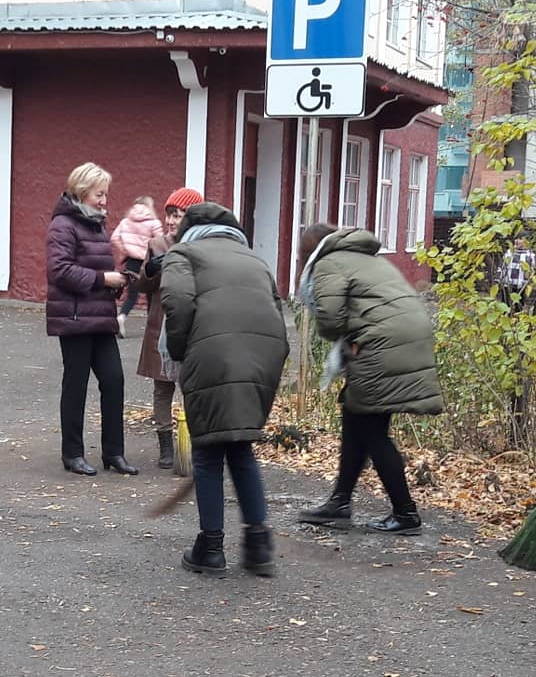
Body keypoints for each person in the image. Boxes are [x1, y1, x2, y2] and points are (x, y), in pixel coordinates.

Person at [160, 202, 288, 576]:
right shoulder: (254, 259)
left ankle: (211, 547)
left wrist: (180, 350)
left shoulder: (183, 253)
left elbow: (177, 303)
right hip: (263, 358)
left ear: (190, 228)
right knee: (240, 447)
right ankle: (259, 545)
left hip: (211, 353)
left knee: (207, 451)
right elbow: (276, 309)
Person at [296, 223, 443, 534]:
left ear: (310, 251)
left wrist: (345, 338)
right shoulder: (370, 259)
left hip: (379, 345)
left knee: (372, 431)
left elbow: (330, 318)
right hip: (406, 339)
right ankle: (340, 502)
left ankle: (406, 513)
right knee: (356, 418)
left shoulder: (329, 263)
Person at [45, 162, 137, 477]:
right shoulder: (62, 225)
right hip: (74, 318)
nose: (104, 200)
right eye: (99, 194)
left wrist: (117, 281)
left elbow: (95, 268)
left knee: (114, 380)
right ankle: (72, 454)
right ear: (82, 192)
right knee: (76, 385)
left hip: (100, 317)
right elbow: (59, 270)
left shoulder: (96, 224)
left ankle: (114, 453)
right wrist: (103, 279)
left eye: (105, 194)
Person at [135, 188, 203, 468]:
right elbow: (143, 286)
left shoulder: (203, 246)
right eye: (169, 215)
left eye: (178, 215)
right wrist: (150, 270)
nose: (171, 221)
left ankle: (193, 443)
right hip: (161, 325)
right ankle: (165, 445)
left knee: (193, 387)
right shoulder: (157, 244)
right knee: (162, 388)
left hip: (193, 326)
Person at [110, 197, 163, 338]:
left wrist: (126, 250)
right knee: (151, 295)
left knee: (132, 295)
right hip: (148, 263)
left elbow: (114, 238)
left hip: (131, 262)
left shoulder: (126, 221)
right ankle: (151, 328)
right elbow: (160, 242)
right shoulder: (153, 222)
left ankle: (121, 317)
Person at [499, 236, 536, 305]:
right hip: (508, 284)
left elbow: (533, 269)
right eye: (516, 239)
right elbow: (502, 267)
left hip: (522, 285)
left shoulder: (530, 255)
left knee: (519, 306)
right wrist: (500, 279)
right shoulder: (509, 253)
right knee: (505, 304)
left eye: (520, 239)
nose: (517, 241)